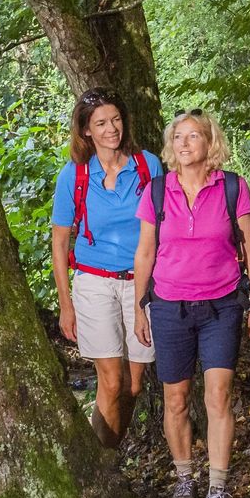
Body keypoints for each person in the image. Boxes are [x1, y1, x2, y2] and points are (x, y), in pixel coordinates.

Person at [133, 109, 250, 498]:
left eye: (193, 136)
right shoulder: (157, 191)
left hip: (222, 305)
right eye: (178, 137)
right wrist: (141, 307)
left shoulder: (232, 187)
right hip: (170, 306)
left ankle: (218, 489)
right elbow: (145, 253)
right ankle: (185, 478)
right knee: (175, 400)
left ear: (210, 142)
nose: (185, 143)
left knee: (218, 396)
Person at [50, 88, 165, 450]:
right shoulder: (75, 175)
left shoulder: (148, 166)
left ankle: (103, 454)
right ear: (86, 130)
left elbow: (165, 227)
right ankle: (102, 465)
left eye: (115, 120)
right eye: (101, 123)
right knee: (111, 381)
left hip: (142, 285)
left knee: (131, 385)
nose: (111, 129)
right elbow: (59, 243)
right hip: (94, 283)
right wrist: (65, 304)